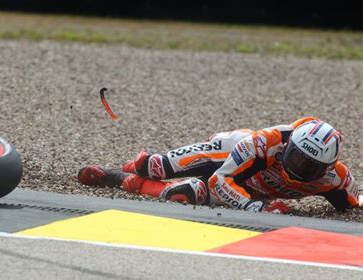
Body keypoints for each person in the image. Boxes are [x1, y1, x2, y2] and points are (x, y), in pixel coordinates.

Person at [78, 117, 361, 214]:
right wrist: (255, 208)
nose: (299, 169)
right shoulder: (264, 143)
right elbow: (219, 181)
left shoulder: (336, 179)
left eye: (309, 166)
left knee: (185, 194)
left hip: (250, 187)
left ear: (326, 167)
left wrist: (256, 203)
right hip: (228, 158)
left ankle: (118, 179)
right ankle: (136, 168)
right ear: (288, 147)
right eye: (296, 157)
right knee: (154, 165)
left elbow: (354, 203)